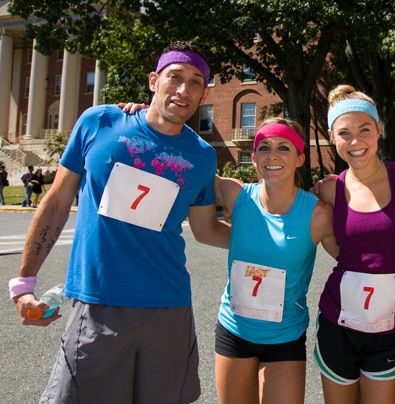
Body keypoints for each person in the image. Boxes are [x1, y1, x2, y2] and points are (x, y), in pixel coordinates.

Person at [9, 40, 230, 403]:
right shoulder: (100, 122)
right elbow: (57, 202)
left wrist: (271, 240)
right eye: (175, 77)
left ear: (204, 93)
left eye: (195, 82)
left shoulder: (203, 156)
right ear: (153, 81)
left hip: (168, 307)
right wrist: (23, 282)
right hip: (99, 302)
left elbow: (205, 229)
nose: (183, 90)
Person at [213, 118, 337, 404]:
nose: (273, 156)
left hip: (285, 337)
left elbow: (352, 258)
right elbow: (188, 164)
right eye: (264, 148)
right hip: (234, 330)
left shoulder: (318, 213)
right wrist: (148, 115)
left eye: (284, 147)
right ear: (253, 157)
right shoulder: (236, 195)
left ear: (300, 158)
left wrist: (343, 185)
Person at [313, 85, 395, 404]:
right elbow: (335, 245)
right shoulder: (329, 192)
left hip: (392, 328)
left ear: (379, 130)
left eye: (364, 130)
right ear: (332, 137)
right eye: (344, 133)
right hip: (338, 324)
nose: (355, 142)